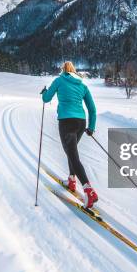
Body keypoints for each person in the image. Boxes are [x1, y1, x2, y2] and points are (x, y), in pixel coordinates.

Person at [41, 61, 98, 208]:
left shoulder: (59, 80)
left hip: (66, 122)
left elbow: (47, 98)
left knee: (72, 154)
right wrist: (91, 127)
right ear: (74, 71)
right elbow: (92, 109)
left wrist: (44, 92)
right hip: (81, 122)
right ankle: (72, 180)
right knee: (71, 152)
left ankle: (88, 190)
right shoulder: (82, 85)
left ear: (63, 70)